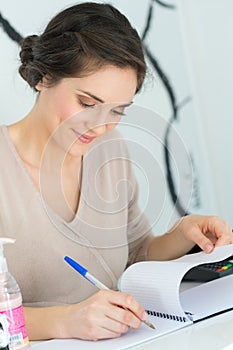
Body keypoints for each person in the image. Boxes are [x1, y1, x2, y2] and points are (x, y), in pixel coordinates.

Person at [0, 1, 232, 342]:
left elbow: (133, 254)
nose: (99, 125)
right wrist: (66, 321)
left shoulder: (110, 152)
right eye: (87, 104)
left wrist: (181, 235)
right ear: (44, 76)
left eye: (117, 110)